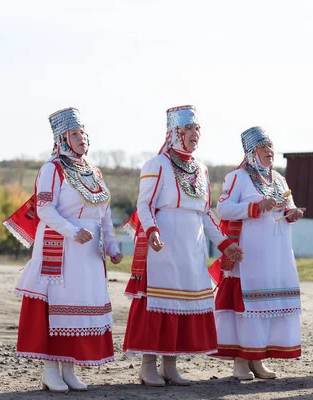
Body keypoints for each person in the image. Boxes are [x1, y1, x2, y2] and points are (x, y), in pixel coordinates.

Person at [122, 105, 243, 387]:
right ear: (175, 133)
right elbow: (144, 204)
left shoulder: (201, 169)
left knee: (182, 303)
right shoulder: (157, 165)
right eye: (189, 129)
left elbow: (204, 213)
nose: (195, 134)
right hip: (164, 243)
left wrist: (225, 244)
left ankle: (171, 365)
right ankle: (148, 365)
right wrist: (151, 230)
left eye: (197, 129)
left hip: (192, 246)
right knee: (160, 301)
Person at [3, 107, 123, 392]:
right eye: (74, 133)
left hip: (89, 252)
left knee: (79, 307)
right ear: (62, 138)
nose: (81, 137)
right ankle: (49, 370)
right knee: (56, 305)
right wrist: (71, 231)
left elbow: (103, 214)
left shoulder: (94, 172)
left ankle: (68, 368)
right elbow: (44, 208)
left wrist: (114, 247)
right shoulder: (52, 169)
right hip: (61, 247)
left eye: (83, 132)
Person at [208, 126, 303, 380]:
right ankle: (240, 360)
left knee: (268, 304)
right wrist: (254, 206)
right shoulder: (238, 177)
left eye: (271, 146)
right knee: (245, 304)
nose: (269, 151)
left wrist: (292, 213)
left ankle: (258, 359)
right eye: (263, 147)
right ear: (251, 152)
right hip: (249, 253)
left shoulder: (279, 179)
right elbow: (224, 209)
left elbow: (287, 205)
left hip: (277, 253)